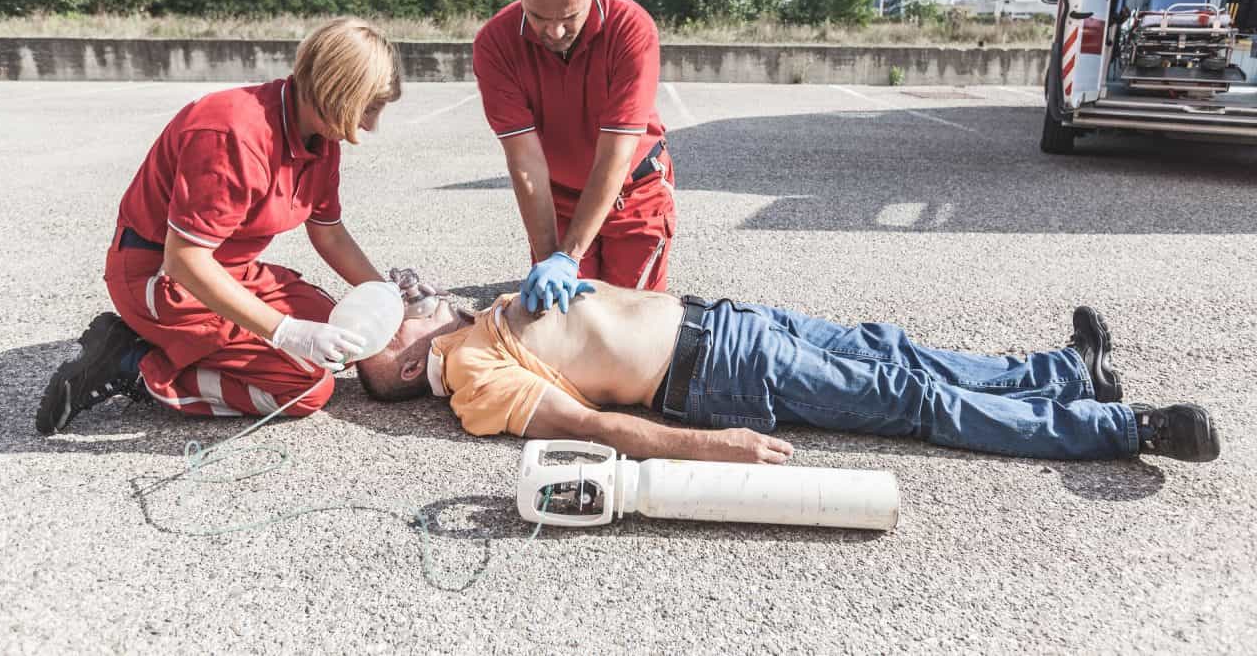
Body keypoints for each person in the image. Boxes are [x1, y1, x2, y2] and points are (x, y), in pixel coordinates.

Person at [356, 277, 1221, 464]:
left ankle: (1066, 373)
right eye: (398, 302)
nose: (408, 287)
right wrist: (707, 449)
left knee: (898, 350)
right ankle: (1126, 427)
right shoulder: (471, 379)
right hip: (711, 374)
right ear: (397, 357)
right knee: (909, 398)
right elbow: (589, 427)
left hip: (723, 321)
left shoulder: (475, 315)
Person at [35, 17, 402, 435]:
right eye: (370, 107)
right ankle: (133, 363)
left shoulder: (320, 135)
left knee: (347, 340)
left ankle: (171, 347)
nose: (372, 125)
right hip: (161, 278)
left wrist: (386, 295)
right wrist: (284, 331)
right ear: (337, 90)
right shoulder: (232, 132)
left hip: (227, 270)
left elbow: (330, 233)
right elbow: (184, 260)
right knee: (306, 387)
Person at [473, 0, 675, 314]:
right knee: (562, 322)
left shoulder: (631, 28)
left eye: (569, 15)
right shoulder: (495, 43)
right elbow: (525, 162)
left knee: (631, 320)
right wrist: (551, 258)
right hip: (558, 200)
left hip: (633, 193)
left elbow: (614, 157)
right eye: (538, 16)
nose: (555, 31)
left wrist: (569, 258)